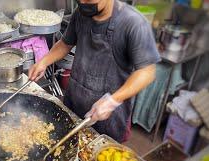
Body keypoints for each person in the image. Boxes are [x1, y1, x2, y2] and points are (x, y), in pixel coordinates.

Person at [28, 0, 160, 142]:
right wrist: (44, 62)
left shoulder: (133, 23)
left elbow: (147, 71)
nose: (84, 2)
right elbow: (66, 43)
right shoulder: (80, 13)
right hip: (74, 102)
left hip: (107, 116)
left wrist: (112, 101)